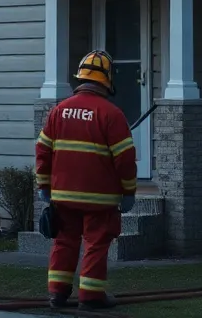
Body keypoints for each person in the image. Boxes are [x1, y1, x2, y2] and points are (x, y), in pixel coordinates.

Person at [35, 50, 138, 311]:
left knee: (64, 242)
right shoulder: (112, 115)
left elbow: (43, 151)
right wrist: (128, 192)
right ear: (106, 79)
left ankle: (57, 295)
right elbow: (125, 160)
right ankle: (90, 298)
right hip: (100, 199)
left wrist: (44, 187)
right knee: (96, 243)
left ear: (81, 78)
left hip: (63, 196)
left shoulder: (58, 111)